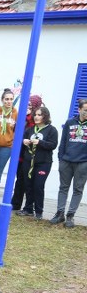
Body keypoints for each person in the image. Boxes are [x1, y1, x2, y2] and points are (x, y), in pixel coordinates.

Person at [15, 107, 58, 220]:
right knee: (28, 185)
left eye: (39, 115)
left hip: (43, 163)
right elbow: (22, 139)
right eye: (35, 114)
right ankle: (28, 209)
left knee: (38, 186)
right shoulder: (30, 129)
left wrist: (40, 142)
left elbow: (53, 145)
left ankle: (39, 211)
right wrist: (24, 141)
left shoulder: (51, 130)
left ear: (45, 116)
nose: (36, 117)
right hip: (28, 161)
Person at [51, 98, 87, 228]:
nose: (86, 113)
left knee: (78, 189)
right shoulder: (70, 122)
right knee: (63, 187)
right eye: (85, 110)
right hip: (66, 161)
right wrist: (61, 159)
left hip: (83, 163)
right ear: (79, 109)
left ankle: (70, 216)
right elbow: (63, 141)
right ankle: (59, 213)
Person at [11, 95, 44, 210]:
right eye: (28, 103)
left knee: (25, 180)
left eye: (31, 104)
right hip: (19, 153)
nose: (28, 105)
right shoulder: (24, 117)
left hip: (30, 154)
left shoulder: (37, 119)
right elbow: (15, 130)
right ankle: (16, 203)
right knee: (19, 178)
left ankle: (24, 205)